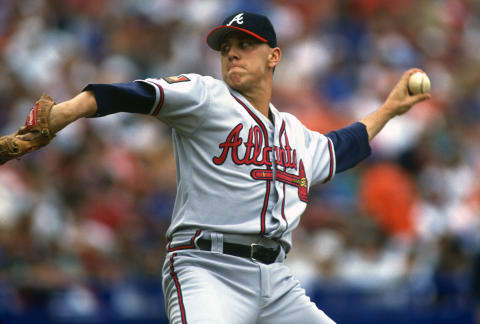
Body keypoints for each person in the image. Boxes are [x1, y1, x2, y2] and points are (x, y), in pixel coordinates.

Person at [6, 11, 430, 324]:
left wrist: (391, 109)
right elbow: (130, 94)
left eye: (245, 46)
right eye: (227, 49)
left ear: (274, 56)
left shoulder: (295, 133)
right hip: (206, 268)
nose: (232, 55)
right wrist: (62, 115)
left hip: (275, 279)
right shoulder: (205, 97)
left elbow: (342, 147)